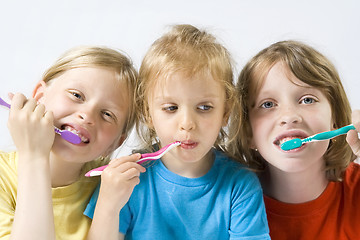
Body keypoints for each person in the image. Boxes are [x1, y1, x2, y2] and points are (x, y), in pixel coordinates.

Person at [84, 24, 270, 240]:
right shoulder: (128, 181)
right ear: (147, 112)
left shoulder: (239, 185)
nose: (187, 124)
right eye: (171, 108)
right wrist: (108, 204)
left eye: (204, 108)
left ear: (225, 112)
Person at [0, 46, 138, 240]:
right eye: (76, 95)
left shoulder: (116, 186)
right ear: (40, 97)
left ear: (115, 143)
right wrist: (33, 155)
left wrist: (107, 207)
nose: (87, 115)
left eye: (107, 114)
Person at [228, 40, 360, 239]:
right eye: (268, 104)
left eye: (307, 100)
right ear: (248, 133)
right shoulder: (231, 207)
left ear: (335, 121)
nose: (289, 116)